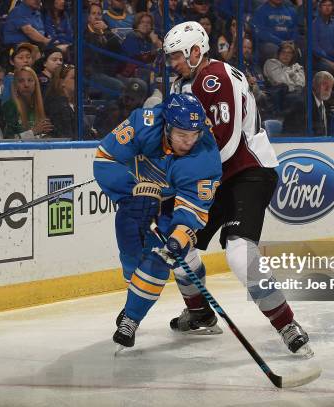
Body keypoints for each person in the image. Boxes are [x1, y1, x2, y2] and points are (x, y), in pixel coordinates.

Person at [163, 21, 312, 356]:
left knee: (239, 252)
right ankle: (200, 312)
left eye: (176, 56)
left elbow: (227, 145)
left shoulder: (213, 79)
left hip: (248, 171)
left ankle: (286, 323)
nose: (171, 63)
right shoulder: (182, 83)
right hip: (213, 176)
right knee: (175, 238)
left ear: (195, 51)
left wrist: (179, 174)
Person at [93, 93, 222, 348]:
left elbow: (191, 211)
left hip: (172, 206)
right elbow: (105, 159)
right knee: (130, 254)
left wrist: (179, 237)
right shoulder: (144, 123)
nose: (189, 142)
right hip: (135, 197)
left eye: (193, 134)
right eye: (182, 135)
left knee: (161, 256)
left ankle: (130, 320)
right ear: (168, 126)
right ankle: (137, 300)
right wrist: (132, 188)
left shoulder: (205, 155)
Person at [2, 66, 53, 138]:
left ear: (36, 84)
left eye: (30, 80)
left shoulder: (43, 105)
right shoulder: (10, 107)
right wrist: (33, 132)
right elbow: (8, 139)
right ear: (15, 85)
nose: (26, 85)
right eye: (21, 81)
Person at [44, 64, 76, 138]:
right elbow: (67, 137)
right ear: (62, 82)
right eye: (74, 78)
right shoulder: (58, 106)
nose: (78, 81)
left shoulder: (74, 104)